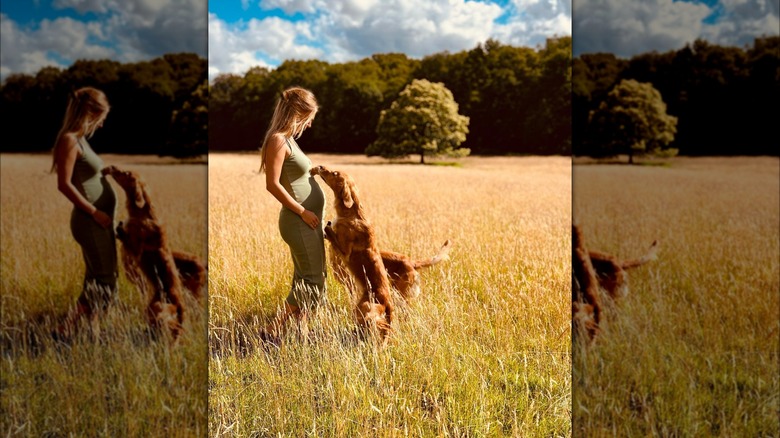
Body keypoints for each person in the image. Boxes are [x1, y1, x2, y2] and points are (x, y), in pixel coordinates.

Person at [258, 86, 326, 343]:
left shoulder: (289, 140)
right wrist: (303, 211)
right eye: (308, 119)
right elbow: (272, 184)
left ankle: (301, 330)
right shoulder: (277, 140)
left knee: (306, 277)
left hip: (307, 220)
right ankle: (272, 329)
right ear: (297, 113)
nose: (308, 125)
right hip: (298, 220)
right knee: (312, 279)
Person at [51, 87, 118, 336]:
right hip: (90, 221)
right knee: (105, 279)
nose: (101, 125)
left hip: (98, 220)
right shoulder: (69, 140)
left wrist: (105, 172)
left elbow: (86, 175)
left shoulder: (81, 141)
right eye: (101, 119)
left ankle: (87, 328)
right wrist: (94, 212)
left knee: (96, 277)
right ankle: (67, 327)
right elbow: (64, 184)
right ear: (91, 112)